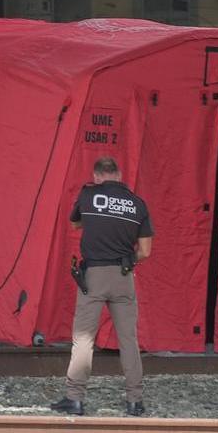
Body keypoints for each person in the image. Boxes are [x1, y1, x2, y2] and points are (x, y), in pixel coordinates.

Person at [51, 157, 154, 417]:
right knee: (129, 339)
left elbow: (74, 223)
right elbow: (145, 250)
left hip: (94, 275)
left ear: (97, 176)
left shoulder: (88, 195)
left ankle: (75, 398)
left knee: (84, 339)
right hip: (124, 275)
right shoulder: (137, 204)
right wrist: (128, 258)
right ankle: (135, 401)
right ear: (119, 175)